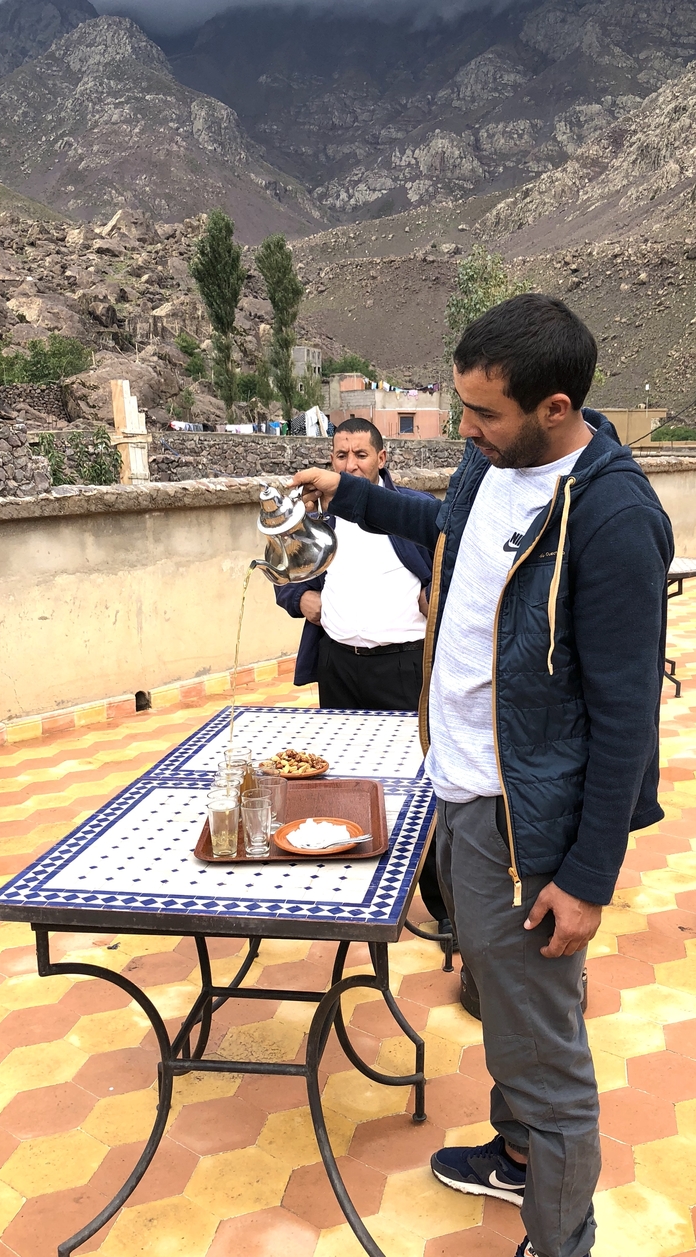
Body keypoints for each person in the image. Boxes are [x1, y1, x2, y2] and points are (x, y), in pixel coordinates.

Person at [290, 294, 673, 1257]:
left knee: (545, 1048)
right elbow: (446, 523)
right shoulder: (491, 462)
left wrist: (586, 879)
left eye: (482, 412)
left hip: (526, 826)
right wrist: (350, 494)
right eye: (460, 406)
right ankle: (515, 1155)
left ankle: (561, 1237)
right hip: (458, 788)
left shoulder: (615, 518)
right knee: (499, 999)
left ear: (554, 407)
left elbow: (627, 720)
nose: (464, 428)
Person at [276, 417, 451, 941]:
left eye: (360, 455)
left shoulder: (408, 511)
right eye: (340, 455)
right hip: (339, 666)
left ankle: (444, 907)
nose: (350, 464)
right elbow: (283, 571)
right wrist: (302, 599)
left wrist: (433, 596)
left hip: (404, 669)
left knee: (422, 787)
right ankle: (348, 892)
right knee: (344, 780)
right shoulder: (315, 517)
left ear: (382, 458)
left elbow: (449, 567)